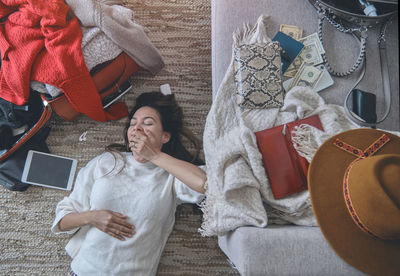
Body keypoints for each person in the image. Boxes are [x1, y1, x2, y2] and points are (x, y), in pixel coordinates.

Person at [51, 92, 207, 275]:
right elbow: (62, 221)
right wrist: (92, 217)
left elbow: (205, 184)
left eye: (148, 123)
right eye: (133, 124)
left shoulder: (171, 176)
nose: (137, 129)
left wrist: (155, 156)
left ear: (165, 136)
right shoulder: (106, 162)